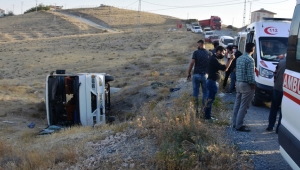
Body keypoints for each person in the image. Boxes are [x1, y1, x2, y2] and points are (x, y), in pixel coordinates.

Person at [205, 46, 235, 120]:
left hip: (212, 82)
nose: (223, 55)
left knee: (209, 99)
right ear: (218, 51)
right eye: (223, 53)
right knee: (210, 100)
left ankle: (207, 115)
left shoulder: (214, 58)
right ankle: (207, 117)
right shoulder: (214, 59)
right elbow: (225, 68)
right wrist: (231, 60)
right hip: (212, 82)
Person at [232, 43, 256, 132]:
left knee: (237, 104)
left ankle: (235, 123)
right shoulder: (250, 60)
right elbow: (250, 75)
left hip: (238, 83)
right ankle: (239, 125)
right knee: (244, 105)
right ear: (253, 50)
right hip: (246, 85)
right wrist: (253, 85)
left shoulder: (239, 58)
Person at [187, 40, 210, 111]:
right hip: (205, 75)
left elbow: (192, 63)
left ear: (200, 45)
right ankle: (204, 109)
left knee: (195, 92)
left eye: (198, 45)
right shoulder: (209, 53)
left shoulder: (196, 52)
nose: (197, 46)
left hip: (196, 74)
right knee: (205, 92)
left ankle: (195, 110)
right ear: (204, 44)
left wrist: (189, 73)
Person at [266, 56, 286, 133]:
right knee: (283, 111)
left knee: (274, 108)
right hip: (286, 90)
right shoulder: (293, 64)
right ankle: (278, 129)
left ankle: (270, 126)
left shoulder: (281, 62)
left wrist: (276, 84)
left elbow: (275, 74)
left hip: (277, 88)